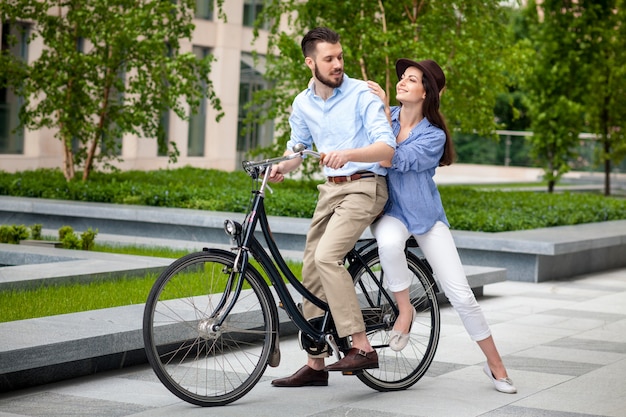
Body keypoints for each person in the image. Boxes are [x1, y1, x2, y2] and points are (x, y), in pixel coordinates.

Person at [367, 58, 517, 394]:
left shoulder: (432, 136)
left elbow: (391, 159)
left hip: (426, 217)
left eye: (411, 80)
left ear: (425, 93)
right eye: (402, 78)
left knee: (461, 295)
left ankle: (496, 366)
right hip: (391, 212)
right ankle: (405, 310)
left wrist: (378, 113)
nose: (402, 83)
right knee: (389, 245)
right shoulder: (385, 116)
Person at [267, 27, 396, 387]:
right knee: (310, 271)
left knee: (327, 258)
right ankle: (316, 364)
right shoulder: (303, 102)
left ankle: (362, 346)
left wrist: (348, 155)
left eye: (340, 57)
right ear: (310, 62)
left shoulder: (361, 94)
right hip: (329, 191)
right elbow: (298, 148)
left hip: (364, 187)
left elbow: (387, 149)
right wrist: (281, 166)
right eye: (329, 59)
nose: (338, 64)